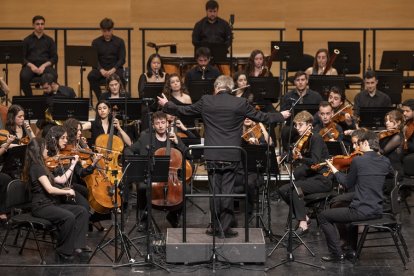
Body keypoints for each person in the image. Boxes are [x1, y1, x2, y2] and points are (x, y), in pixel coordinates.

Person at [158, 75, 290, 238]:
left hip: (212, 153)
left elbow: (184, 110)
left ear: (216, 87)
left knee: (215, 192)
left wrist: (167, 105)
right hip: (231, 154)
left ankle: (215, 226)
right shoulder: (240, 103)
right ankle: (225, 228)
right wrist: (281, 115)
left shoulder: (206, 100)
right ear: (230, 87)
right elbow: (263, 117)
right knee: (227, 191)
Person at [319, 130, 393, 262]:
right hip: (377, 210)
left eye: (358, 144)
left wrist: (333, 168)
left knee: (323, 216)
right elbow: (390, 175)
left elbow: (347, 183)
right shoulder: (385, 161)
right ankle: (352, 250)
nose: (356, 147)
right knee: (344, 205)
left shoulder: (358, 161)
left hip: (362, 211)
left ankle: (337, 254)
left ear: (365, 142)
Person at [22, 137, 90, 263]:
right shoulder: (36, 167)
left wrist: (73, 164)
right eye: (45, 147)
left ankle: (77, 246)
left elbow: (60, 180)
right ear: (39, 149)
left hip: (50, 203)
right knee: (68, 217)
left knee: (81, 211)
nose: (48, 150)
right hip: (41, 206)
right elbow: (50, 189)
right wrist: (66, 191)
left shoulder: (43, 166)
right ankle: (63, 251)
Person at [124, 111, 189, 229]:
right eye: (157, 123)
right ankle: (144, 219)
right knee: (142, 188)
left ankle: (173, 215)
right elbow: (128, 150)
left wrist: (177, 143)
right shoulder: (145, 139)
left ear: (167, 124)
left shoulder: (174, 138)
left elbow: (188, 155)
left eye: (163, 122)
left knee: (186, 189)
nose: (160, 125)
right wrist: (138, 160)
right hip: (152, 175)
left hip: (171, 177)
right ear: (153, 125)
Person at [278, 111, 332, 236]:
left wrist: (301, 158)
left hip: (322, 179)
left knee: (294, 190)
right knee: (282, 190)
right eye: (296, 125)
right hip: (311, 178)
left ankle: (303, 223)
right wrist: (284, 157)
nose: (297, 128)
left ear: (309, 124)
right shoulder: (303, 139)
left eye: (300, 125)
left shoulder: (316, 138)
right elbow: (296, 157)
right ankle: (304, 216)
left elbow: (316, 162)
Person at [280, 71, 323, 151]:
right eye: (298, 80)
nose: (300, 82)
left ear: (307, 81)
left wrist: (311, 123)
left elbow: (321, 111)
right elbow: (282, 113)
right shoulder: (288, 96)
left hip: (311, 125)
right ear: (294, 82)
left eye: (303, 80)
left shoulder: (316, 96)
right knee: (285, 131)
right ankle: (287, 155)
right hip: (294, 126)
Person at [88, 18, 126, 100]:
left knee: (122, 77)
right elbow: (94, 59)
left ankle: (120, 100)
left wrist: (114, 69)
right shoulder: (95, 42)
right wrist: (101, 69)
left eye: (109, 31)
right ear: (101, 30)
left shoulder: (120, 41)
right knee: (91, 76)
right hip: (101, 69)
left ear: (112, 29)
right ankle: (101, 100)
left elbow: (122, 59)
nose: (107, 33)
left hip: (115, 68)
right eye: (104, 31)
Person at [20, 15, 58, 97]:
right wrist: (32, 66)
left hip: (45, 67)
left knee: (53, 75)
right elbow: (22, 57)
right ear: (33, 25)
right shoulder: (26, 40)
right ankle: (30, 100)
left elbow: (54, 57)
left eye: (42, 24)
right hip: (30, 66)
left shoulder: (50, 40)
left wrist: (44, 66)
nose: (40, 26)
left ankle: (47, 100)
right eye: (37, 24)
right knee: (23, 76)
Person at [2, 105, 35, 179]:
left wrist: (30, 132)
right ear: (12, 117)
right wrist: (20, 146)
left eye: (23, 116)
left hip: (25, 162)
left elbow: (35, 143)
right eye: (19, 117)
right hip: (12, 164)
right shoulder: (7, 130)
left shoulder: (25, 128)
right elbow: (4, 145)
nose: (22, 118)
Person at [379, 110, 404, 194]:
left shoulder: (397, 136)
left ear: (398, 122)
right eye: (386, 120)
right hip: (385, 167)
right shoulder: (388, 134)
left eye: (390, 121)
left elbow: (383, 151)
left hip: (393, 171)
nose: (387, 123)